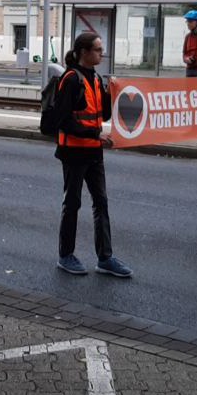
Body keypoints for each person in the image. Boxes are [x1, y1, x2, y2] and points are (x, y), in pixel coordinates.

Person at [51, 32, 132, 278]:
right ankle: (66, 255)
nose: (101, 53)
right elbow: (62, 121)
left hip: (93, 151)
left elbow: (103, 115)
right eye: (97, 49)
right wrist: (94, 136)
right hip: (74, 152)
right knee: (73, 203)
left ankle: (105, 258)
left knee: (101, 203)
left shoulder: (95, 78)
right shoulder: (71, 79)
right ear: (84, 52)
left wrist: (112, 92)